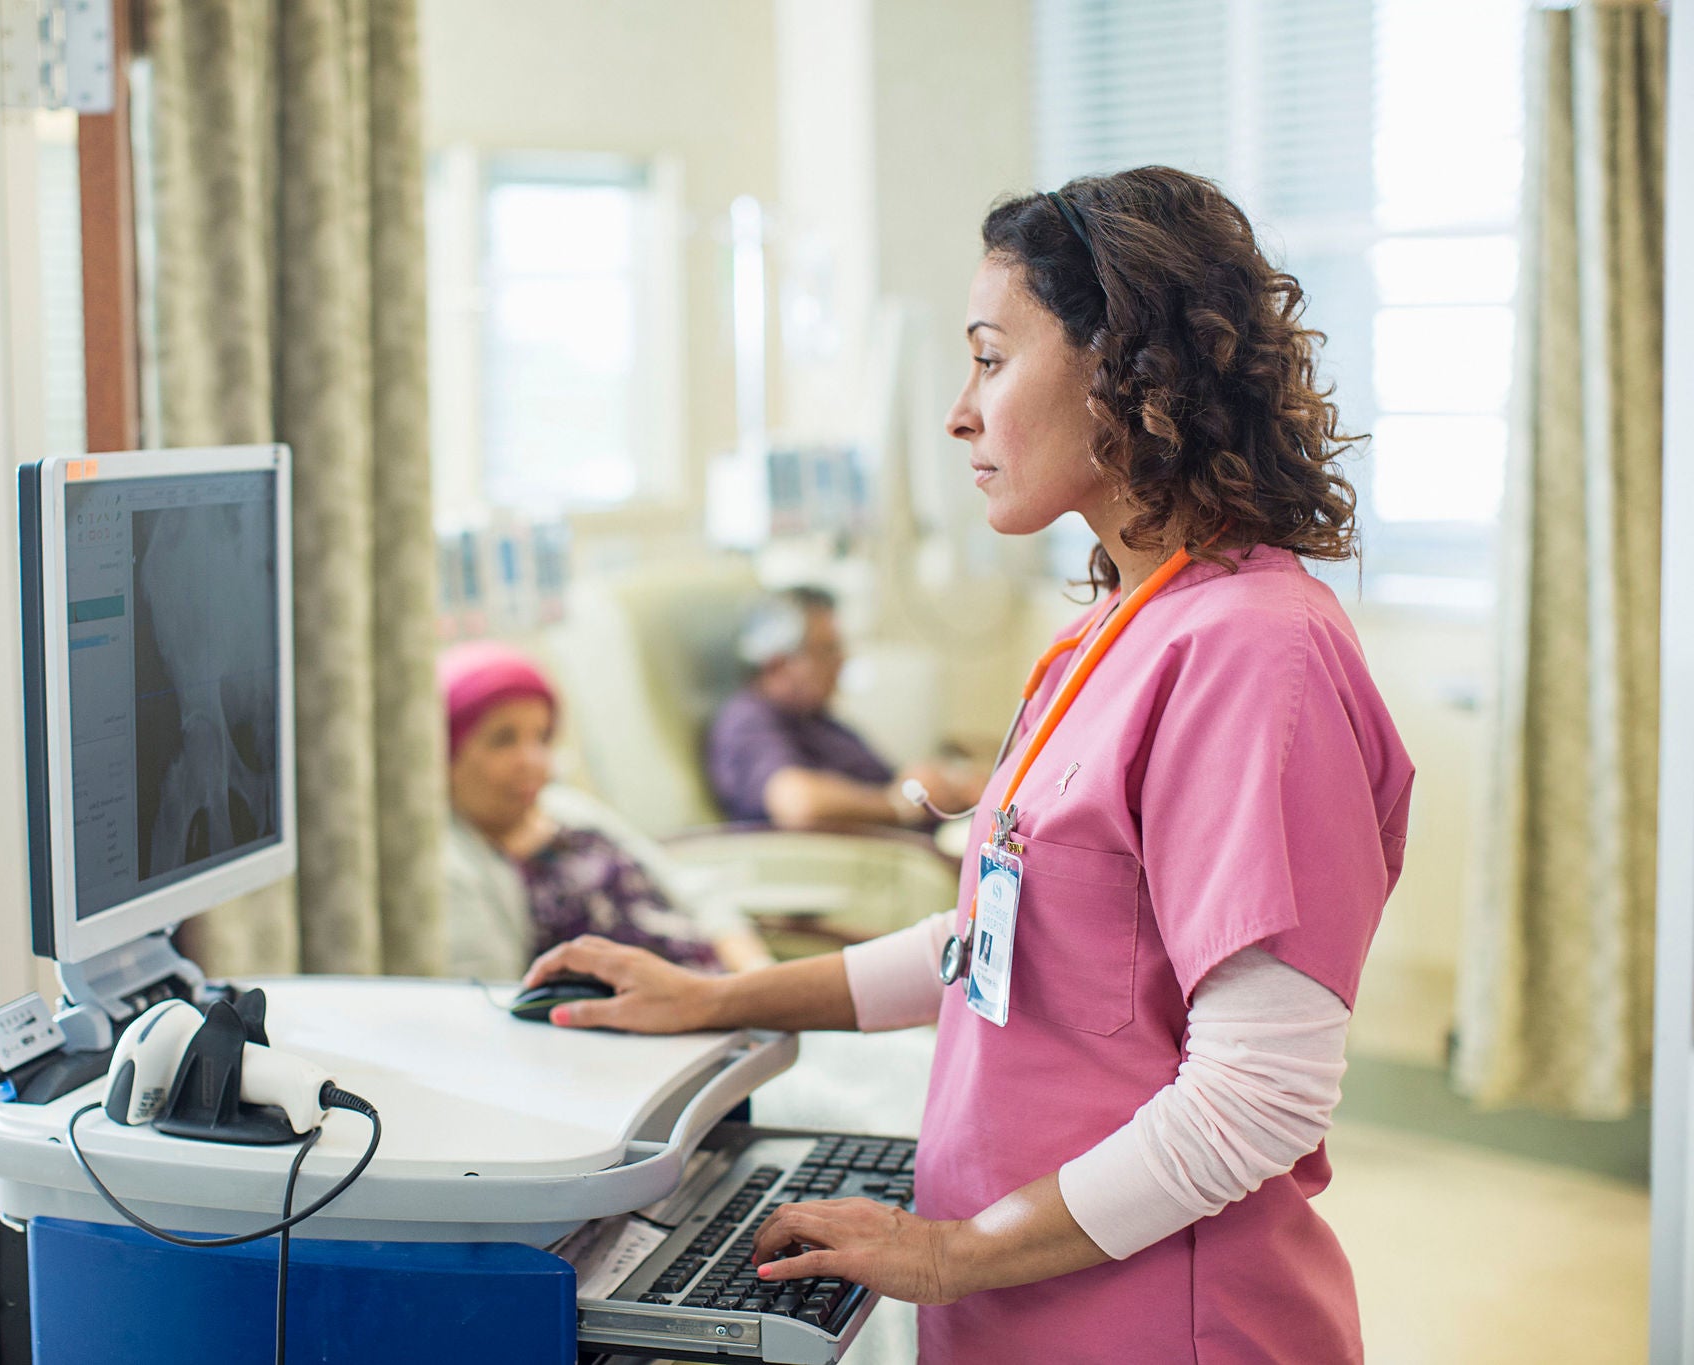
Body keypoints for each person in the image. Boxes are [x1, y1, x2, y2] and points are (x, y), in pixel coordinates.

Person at [524, 167, 1414, 1364]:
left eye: (990, 359)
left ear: (1123, 366)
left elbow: (1256, 1100)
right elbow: (999, 946)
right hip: (1023, 1305)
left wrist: (949, 1253)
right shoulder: (1109, 633)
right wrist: (714, 1000)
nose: (959, 412)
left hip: (1159, 1327)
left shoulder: (1257, 658)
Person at [439, 640, 772, 980]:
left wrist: (755, 981)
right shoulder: (451, 865)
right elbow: (494, 998)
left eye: (542, 738)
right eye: (503, 740)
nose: (533, 762)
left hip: (726, 1001)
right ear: (446, 753)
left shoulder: (569, 809)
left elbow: (696, 897)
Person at [706, 586, 984, 829]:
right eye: (826, 650)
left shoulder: (814, 719)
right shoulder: (749, 720)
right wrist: (900, 803)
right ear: (776, 663)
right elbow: (798, 802)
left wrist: (949, 789)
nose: (841, 661)